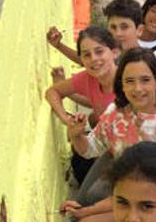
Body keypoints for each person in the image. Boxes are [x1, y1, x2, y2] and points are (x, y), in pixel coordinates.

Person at [62, 48, 156, 222]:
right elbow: (90, 149)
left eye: (145, 80)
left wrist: (91, 212)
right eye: (129, 81)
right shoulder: (115, 112)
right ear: (121, 85)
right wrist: (77, 135)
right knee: (82, 218)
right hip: (123, 190)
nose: (137, 89)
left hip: (155, 197)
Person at [45, 26, 119, 184]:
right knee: (80, 169)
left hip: (127, 157)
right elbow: (52, 92)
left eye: (99, 51)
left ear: (114, 52)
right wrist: (67, 120)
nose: (93, 59)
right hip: (104, 147)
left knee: (91, 197)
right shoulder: (87, 78)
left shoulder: (128, 83)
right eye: (86, 55)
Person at [45, 0, 145, 67]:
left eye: (124, 27)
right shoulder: (112, 52)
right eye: (113, 27)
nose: (118, 33)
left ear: (139, 30)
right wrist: (58, 45)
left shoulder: (144, 62)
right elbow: (85, 61)